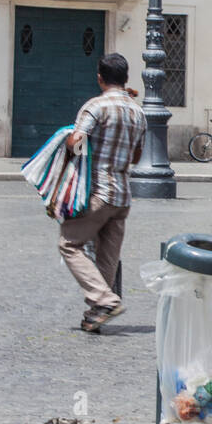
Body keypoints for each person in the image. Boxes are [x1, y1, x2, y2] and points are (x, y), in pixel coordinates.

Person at [58, 53, 147, 333]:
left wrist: (67, 139)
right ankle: (97, 312)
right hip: (123, 195)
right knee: (107, 257)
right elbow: (136, 155)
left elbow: (78, 143)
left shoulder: (95, 107)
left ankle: (104, 299)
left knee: (69, 244)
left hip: (98, 191)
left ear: (100, 77)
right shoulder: (138, 112)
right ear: (126, 78)